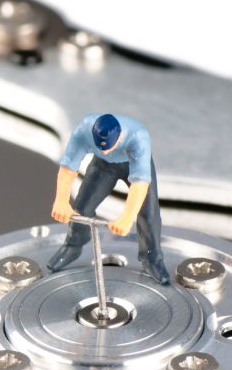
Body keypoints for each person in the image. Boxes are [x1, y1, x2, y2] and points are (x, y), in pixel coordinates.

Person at [48, 113, 169, 284]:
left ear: (120, 136)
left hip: (132, 165)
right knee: (82, 206)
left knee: (148, 214)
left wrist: (126, 218)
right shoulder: (84, 130)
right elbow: (68, 167)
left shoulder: (138, 135)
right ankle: (73, 246)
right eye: (101, 147)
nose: (105, 150)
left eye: (108, 147)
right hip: (102, 166)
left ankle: (152, 259)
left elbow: (139, 184)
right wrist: (60, 200)